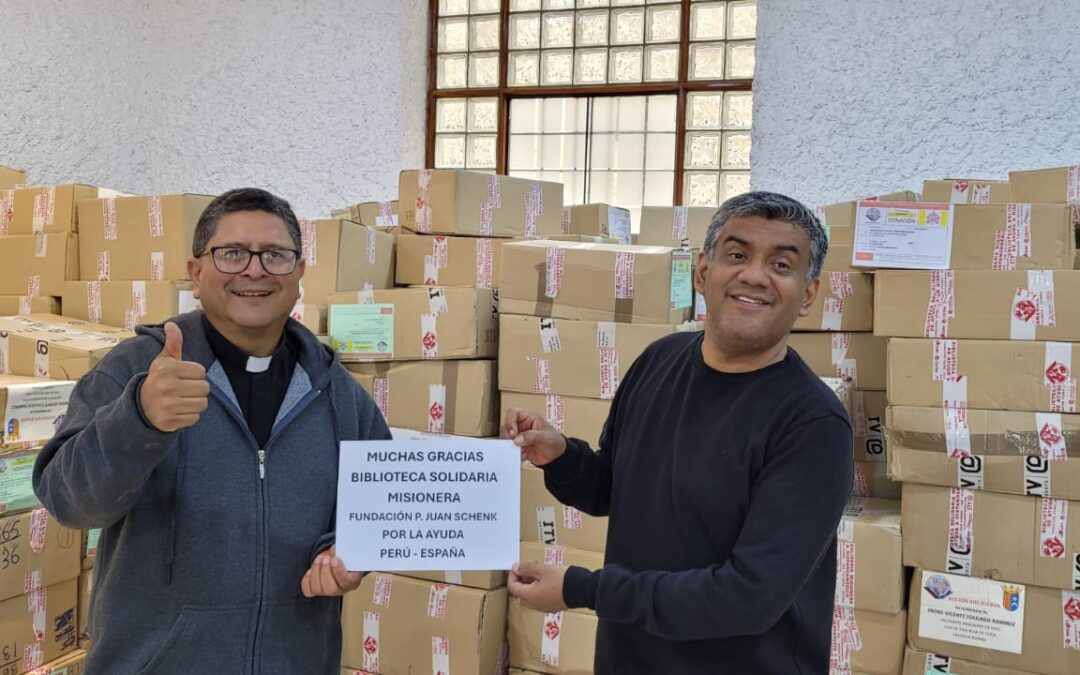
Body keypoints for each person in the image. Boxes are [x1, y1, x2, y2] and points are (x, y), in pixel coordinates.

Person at [34, 188, 390, 674]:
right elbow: (68, 502)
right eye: (232, 254)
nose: (255, 270)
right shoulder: (139, 369)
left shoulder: (336, 392)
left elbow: (376, 511)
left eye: (276, 255)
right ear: (197, 273)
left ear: (300, 275)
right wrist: (138, 419)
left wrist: (347, 553)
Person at [503, 191, 853, 674]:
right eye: (737, 254)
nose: (754, 275)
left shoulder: (812, 424)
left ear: (808, 294)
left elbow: (749, 597)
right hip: (629, 660)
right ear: (704, 272)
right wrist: (560, 454)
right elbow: (614, 486)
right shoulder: (660, 361)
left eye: (781, 264)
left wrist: (580, 588)